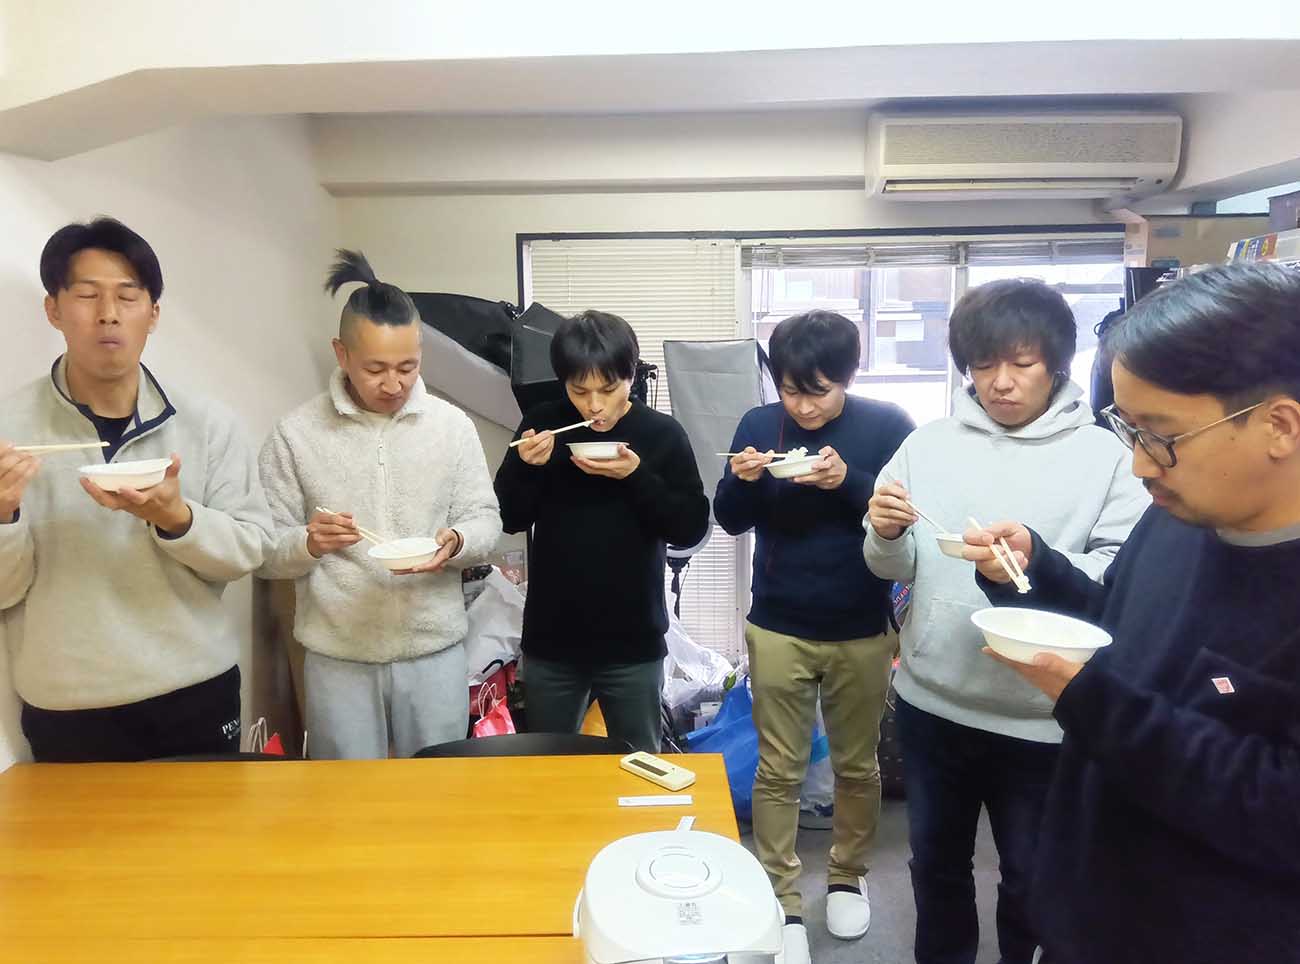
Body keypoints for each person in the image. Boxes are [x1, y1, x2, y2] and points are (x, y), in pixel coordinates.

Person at [969, 263, 1300, 964]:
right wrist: (1034, 573)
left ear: (1279, 425)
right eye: (1129, 428)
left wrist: (1094, 703)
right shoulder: (1182, 512)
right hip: (1083, 908)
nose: (1142, 466)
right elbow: (1116, 626)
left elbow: (1280, 808)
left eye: (1161, 435)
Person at [863, 279, 1148, 964]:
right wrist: (883, 532)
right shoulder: (926, 445)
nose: (1000, 382)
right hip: (933, 703)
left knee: (1030, 880)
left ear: (1057, 362)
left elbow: (1119, 577)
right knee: (935, 868)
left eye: (1021, 363)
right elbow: (891, 567)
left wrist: (1036, 558)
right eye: (983, 364)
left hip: (1044, 717)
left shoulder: (1106, 455)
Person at [0, 217, 272, 762]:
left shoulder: (207, 424)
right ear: (54, 309)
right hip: (67, 704)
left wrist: (178, 519)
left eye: (127, 296)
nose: (108, 313)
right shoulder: (10, 431)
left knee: (210, 821)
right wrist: (4, 516)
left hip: (195, 690)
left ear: (153, 313)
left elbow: (250, 550)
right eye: (87, 295)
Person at [713, 310, 914, 964]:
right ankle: (781, 897)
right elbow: (729, 518)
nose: (801, 406)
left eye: (817, 392)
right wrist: (741, 481)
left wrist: (846, 482)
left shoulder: (887, 426)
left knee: (857, 766)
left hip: (861, 627)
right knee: (779, 769)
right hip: (777, 624)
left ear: (848, 376)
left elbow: (906, 515)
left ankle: (847, 875)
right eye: (789, 390)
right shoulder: (757, 425)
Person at [258, 250, 501, 759]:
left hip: (434, 651)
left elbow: (485, 520)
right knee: (347, 796)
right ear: (341, 354)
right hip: (338, 656)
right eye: (375, 369)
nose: (393, 384)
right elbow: (263, 548)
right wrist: (308, 543)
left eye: (407, 367)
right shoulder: (296, 434)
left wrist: (457, 542)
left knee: (439, 789)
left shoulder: (451, 428)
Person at [494, 309, 708, 753]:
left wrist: (637, 477)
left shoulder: (662, 434)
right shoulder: (544, 426)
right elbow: (510, 518)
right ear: (563, 382)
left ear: (631, 377)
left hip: (634, 642)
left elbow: (688, 528)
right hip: (552, 641)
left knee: (641, 764)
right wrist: (526, 469)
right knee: (549, 766)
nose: (594, 405)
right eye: (579, 390)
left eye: (608, 389)